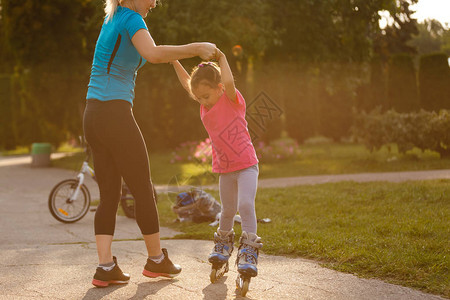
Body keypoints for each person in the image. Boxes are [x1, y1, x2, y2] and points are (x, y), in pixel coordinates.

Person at [84, 0, 217, 288]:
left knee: (109, 194)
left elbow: (153, 52)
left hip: (92, 114)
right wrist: (196, 48)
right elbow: (153, 53)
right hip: (114, 113)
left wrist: (172, 57)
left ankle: (105, 266)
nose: (155, 3)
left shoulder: (114, 18)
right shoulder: (131, 18)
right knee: (143, 189)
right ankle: (156, 261)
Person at [171, 50, 263, 282]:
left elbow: (230, 80)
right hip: (225, 169)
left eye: (206, 96)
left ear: (219, 88)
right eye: (199, 97)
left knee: (245, 204)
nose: (202, 101)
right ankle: (223, 246)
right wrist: (173, 59)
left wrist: (221, 57)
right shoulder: (205, 104)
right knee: (227, 210)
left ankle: (249, 250)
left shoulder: (231, 100)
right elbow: (186, 84)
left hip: (246, 166)